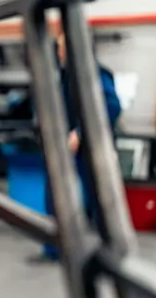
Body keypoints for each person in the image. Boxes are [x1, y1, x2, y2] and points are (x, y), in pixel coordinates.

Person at [40, 32, 122, 261]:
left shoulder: (94, 72)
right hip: (65, 145)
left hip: (90, 147)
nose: (59, 51)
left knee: (99, 197)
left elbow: (111, 107)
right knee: (56, 192)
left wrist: (81, 132)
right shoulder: (64, 74)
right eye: (58, 47)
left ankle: (111, 247)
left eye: (63, 47)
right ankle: (56, 248)